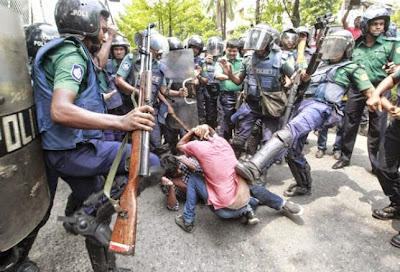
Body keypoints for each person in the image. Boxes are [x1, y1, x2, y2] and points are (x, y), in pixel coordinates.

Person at [14, 1, 159, 271]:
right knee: (149, 163)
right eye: (103, 30)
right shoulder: (70, 55)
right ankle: (84, 215)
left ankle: (99, 250)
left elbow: (98, 63)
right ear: (87, 26)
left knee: (94, 210)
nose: (105, 36)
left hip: (67, 148)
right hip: (71, 152)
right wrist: (121, 121)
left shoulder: (73, 52)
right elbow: (60, 109)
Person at [234, 30, 376, 197]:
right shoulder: (318, 65)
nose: (333, 50)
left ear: (348, 49)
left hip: (321, 107)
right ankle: (304, 185)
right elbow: (299, 80)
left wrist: (374, 99)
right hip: (303, 105)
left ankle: (255, 166)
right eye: (330, 45)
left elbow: (370, 90)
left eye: (338, 47)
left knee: (288, 131)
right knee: (292, 149)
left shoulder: (352, 67)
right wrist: (301, 77)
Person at [174, 124, 303, 233]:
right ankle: (278, 204)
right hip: (243, 199)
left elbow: (180, 144)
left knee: (195, 177)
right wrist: (206, 127)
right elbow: (213, 134)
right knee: (242, 179)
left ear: (196, 140)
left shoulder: (197, 147)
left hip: (224, 212)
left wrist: (192, 130)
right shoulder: (222, 142)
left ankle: (188, 220)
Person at [332, 5, 400, 172]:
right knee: (349, 123)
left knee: (377, 128)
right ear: (365, 25)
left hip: (379, 90)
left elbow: (398, 68)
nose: (378, 26)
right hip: (356, 89)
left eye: (381, 23)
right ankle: (345, 156)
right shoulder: (355, 45)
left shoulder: (391, 45)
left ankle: (375, 163)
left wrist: (394, 69)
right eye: (374, 23)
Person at [220, 23, 295, 158]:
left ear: (270, 42)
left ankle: (262, 173)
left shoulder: (281, 58)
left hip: (272, 106)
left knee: (269, 142)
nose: (258, 48)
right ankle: (232, 168)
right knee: (239, 139)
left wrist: (287, 83)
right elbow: (238, 80)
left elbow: (294, 77)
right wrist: (230, 74)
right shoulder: (248, 58)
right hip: (251, 104)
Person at [366, 67, 400, 248]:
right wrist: (376, 94)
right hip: (397, 126)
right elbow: (393, 79)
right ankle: (397, 204)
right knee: (384, 168)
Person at [215, 38, 243, 141]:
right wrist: (231, 76)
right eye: (229, 50)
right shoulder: (221, 61)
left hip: (241, 96)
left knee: (240, 122)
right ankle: (224, 144)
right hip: (227, 96)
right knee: (225, 122)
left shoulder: (242, 61)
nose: (232, 53)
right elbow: (218, 75)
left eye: (234, 51)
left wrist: (229, 74)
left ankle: (237, 145)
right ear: (225, 50)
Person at [187, 34, 209, 124]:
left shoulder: (201, 62)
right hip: (185, 91)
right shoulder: (183, 59)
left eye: (197, 48)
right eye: (193, 47)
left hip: (198, 92)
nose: (194, 50)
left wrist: (198, 75)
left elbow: (205, 80)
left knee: (200, 116)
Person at [204, 36, 224, 129]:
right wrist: (204, 62)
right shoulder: (204, 60)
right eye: (212, 47)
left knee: (222, 113)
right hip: (208, 89)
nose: (215, 50)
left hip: (221, 89)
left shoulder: (224, 59)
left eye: (217, 47)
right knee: (210, 114)